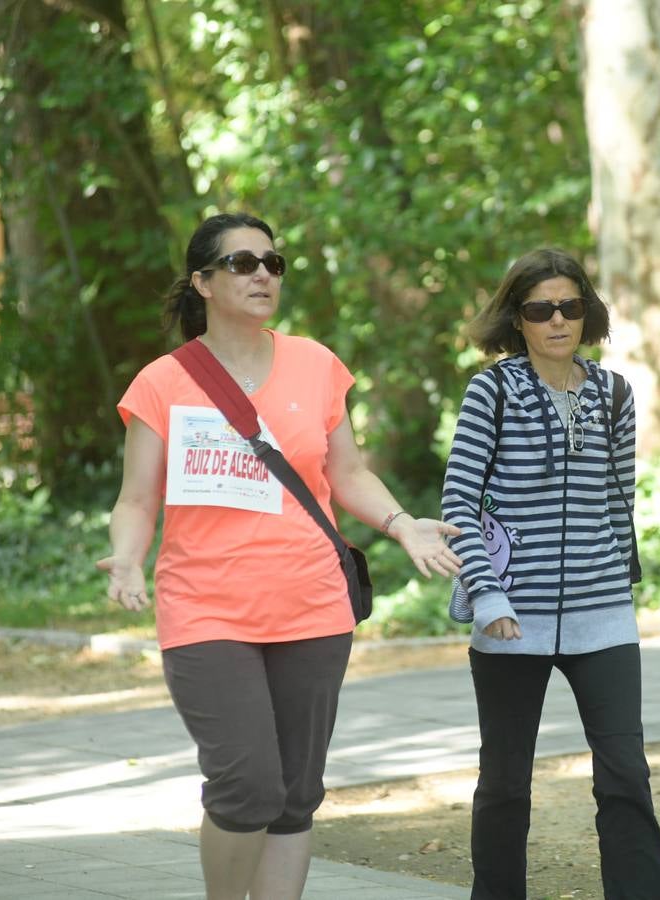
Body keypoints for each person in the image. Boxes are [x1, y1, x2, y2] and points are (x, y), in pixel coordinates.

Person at [97, 212, 462, 900]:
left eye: (272, 263)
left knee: (296, 792)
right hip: (206, 610)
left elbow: (347, 473)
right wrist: (125, 557)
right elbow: (138, 500)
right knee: (245, 783)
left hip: (313, 606)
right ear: (203, 282)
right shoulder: (162, 382)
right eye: (242, 263)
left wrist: (402, 522)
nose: (263, 273)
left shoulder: (315, 364)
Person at [442, 248, 660, 899]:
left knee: (625, 773)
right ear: (518, 318)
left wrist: (620, 591)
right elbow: (460, 503)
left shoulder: (613, 392)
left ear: (586, 312)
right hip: (511, 617)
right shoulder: (492, 391)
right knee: (508, 780)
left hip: (604, 618)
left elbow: (616, 502)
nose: (557, 320)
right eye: (541, 309)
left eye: (570, 306)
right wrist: (487, 595)